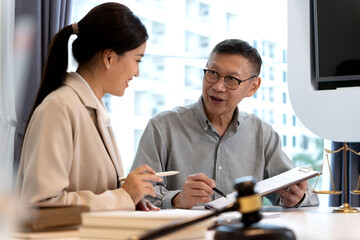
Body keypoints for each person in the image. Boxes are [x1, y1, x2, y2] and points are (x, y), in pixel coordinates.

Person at [130, 39, 319, 209]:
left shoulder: (262, 134)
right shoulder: (162, 127)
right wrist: (177, 199)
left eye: (231, 79)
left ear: (253, 87)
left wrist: (297, 198)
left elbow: (305, 194)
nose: (218, 86)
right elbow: (137, 197)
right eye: (212, 73)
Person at [15, 2, 163, 212]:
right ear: (109, 58)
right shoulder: (59, 108)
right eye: (137, 59)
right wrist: (122, 197)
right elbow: (42, 205)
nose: (137, 72)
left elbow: (95, 191)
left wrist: (130, 200)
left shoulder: (93, 109)